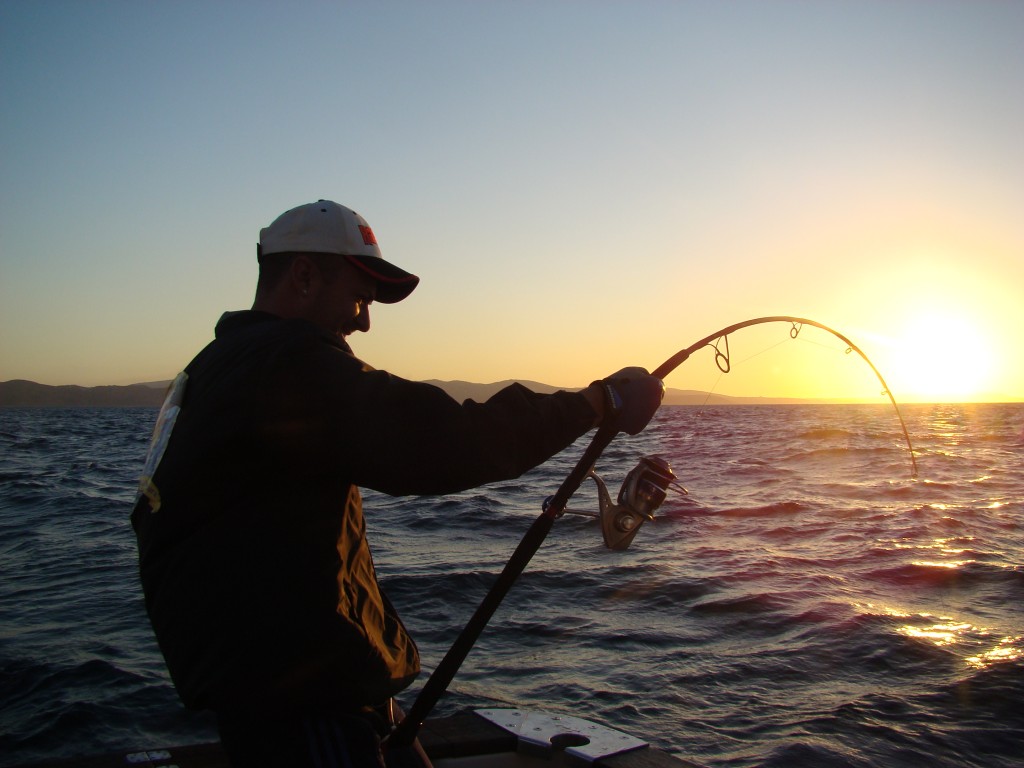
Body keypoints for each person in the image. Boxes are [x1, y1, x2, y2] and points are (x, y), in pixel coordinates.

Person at [131, 200, 664, 768]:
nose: (364, 320)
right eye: (360, 296)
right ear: (304, 275)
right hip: (300, 706)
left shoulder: (214, 367)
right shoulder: (286, 363)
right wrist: (598, 401)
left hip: (270, 694)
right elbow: (449, 439)